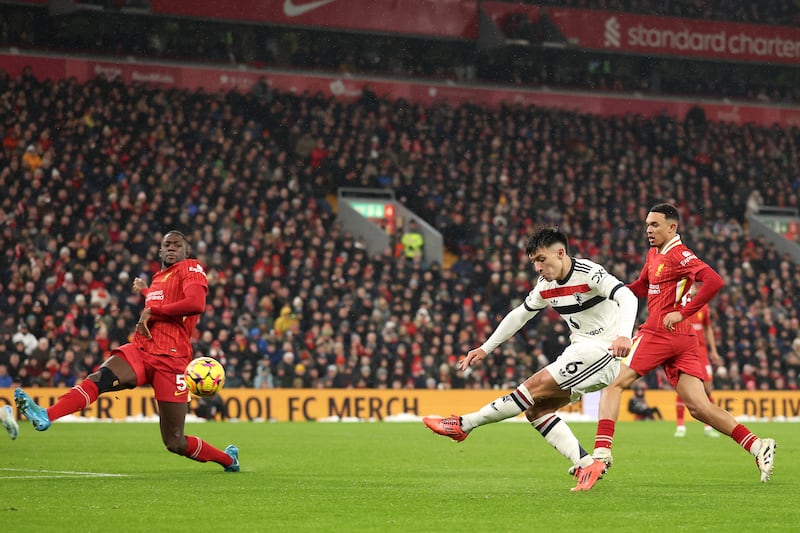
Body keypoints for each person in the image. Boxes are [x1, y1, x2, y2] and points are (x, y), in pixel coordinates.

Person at [422, 227, 639, 491]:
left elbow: (627, 296)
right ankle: (585, 464)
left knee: (532, 387)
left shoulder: (589, 273)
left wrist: (624, 336)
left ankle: (463, 424)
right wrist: (485, 348)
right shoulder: (546, 286)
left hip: (603, 352)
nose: (537, 267)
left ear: (560, 253)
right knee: (537, 410)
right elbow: (519, 315)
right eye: (534, 261)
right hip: (580, 350)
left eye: (541, 259)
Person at [581, 203, 775, 491]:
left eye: (655, 225)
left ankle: (601, 452)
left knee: (613, 383)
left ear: (672, 227)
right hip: (682, 339)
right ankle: (757, 444)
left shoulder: (680, 254)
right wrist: (606, 293)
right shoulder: (654, 254)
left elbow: (714, 281)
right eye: (647, 224)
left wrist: (684, 312)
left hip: (661, 331)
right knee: (699, 407)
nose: (648, 229)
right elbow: (640, 287)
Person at [14, 231, 240, 472]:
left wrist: (153, 311)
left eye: (177, 245)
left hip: (172, 361)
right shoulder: (158, 277)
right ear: (160, 251)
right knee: (99, 378)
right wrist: (145, 292)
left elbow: (196, 304)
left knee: (175, 442)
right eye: (167, 245)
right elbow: (159, 304)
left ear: (186, 252)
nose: (172, 248)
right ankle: (46, 415)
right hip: (142, 350)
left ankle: (228, 460)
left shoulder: (190, 268)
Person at [675, 284, 722, 437]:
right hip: (686, 353)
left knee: (707, 389)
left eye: (695, 286)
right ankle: (680, 426)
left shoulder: (703, 307)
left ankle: (709, 427)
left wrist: (714, 351)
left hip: (702, 354)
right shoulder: (681, 307)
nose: (694, 289)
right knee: (683, 389)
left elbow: (708, 329)